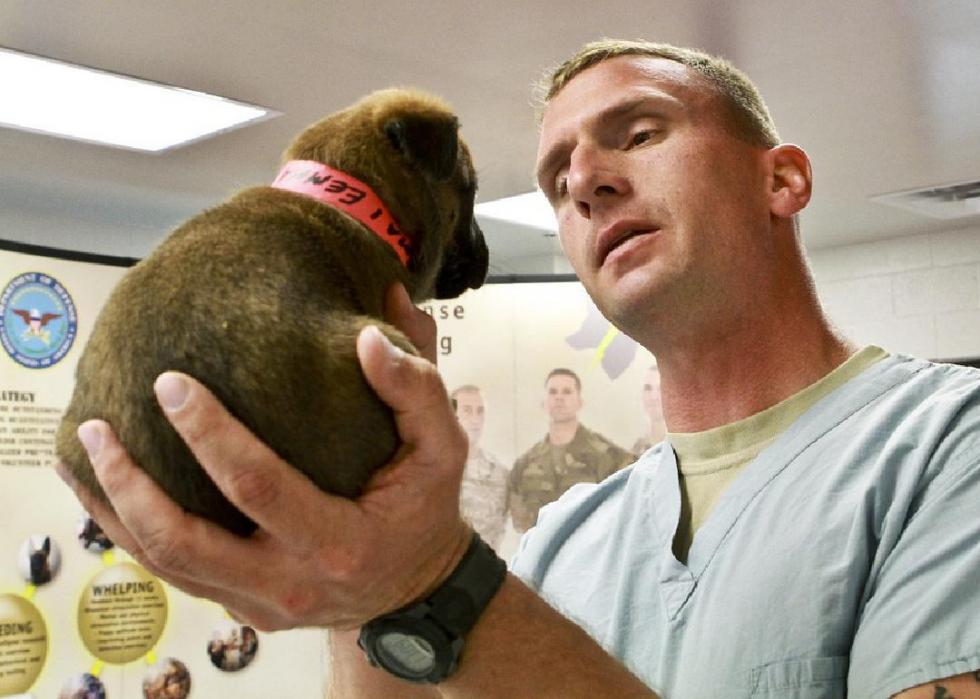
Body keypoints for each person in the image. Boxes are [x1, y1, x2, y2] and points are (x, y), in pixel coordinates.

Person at [56, 38, 980, 699]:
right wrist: (356, 532)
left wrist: (431, 582)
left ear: (781, 179)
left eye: (639, 133)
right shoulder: (566, 539)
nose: (586, 182)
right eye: (556, 180)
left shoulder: (948, 446)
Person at [509, 368, 631, 532]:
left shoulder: (607, 456)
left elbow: (626, 507)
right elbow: (520, 523)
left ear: (580, 402)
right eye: (553, 392)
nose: (559, 397)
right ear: (544, 402)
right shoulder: (524, 465)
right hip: (541, 547)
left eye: (567, 392)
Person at [451, 384, 510, 549]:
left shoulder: (499, 473)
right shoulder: (434, 469)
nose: (475, 419)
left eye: (480, 411)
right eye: (467, 411)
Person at [630, 364, 666, 456]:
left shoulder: (682, 446)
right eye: (648, 389)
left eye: (661, 388)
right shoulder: (637, 448)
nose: (653, 397)